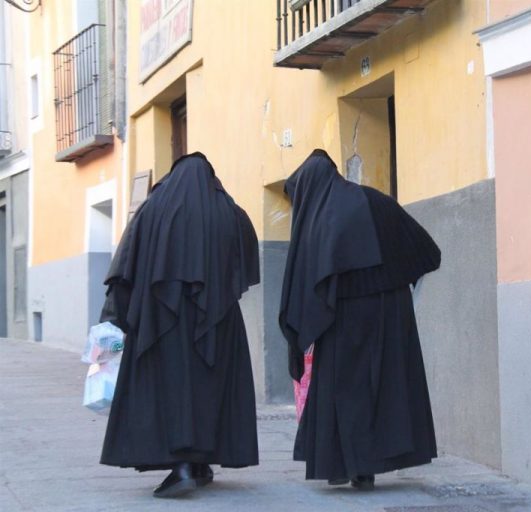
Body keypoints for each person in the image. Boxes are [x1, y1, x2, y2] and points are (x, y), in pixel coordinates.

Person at [99, 152, 261, 498]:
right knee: (210, 390)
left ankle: (183, 466)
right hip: (218, 321)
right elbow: (247, 263)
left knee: (172, 392)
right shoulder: (231, 213)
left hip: (163, 319)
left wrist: (116, 317)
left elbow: (126, 263)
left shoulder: (155, 208)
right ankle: (201, 463)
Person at [279, 149, 441, 490]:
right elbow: (428, 251)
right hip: (393, 314)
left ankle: (351, 466)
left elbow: (311, 282)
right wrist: (394, 279)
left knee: (344, 391)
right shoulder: (377, 201)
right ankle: (366, 466)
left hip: (345, 316)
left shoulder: (321, 218)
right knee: (387, 387)